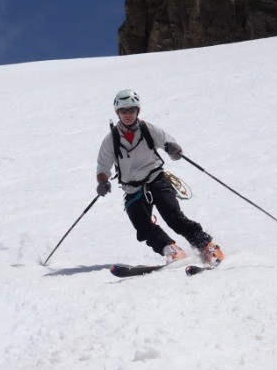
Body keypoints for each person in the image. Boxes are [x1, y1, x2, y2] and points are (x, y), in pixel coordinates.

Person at [95, 89, 224, 265]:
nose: (127, 114)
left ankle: (208, 247)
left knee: (174, 217)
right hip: (132, 189)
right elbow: (103, 167)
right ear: (117, 112)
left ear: (137, 110)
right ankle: (172, 250)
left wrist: (174, 149)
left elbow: (171, 145)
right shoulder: (111, 140)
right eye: (123, 111)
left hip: (156, 180)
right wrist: (102, 182)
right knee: (142, 226)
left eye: (131, 110)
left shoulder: (148, 129)